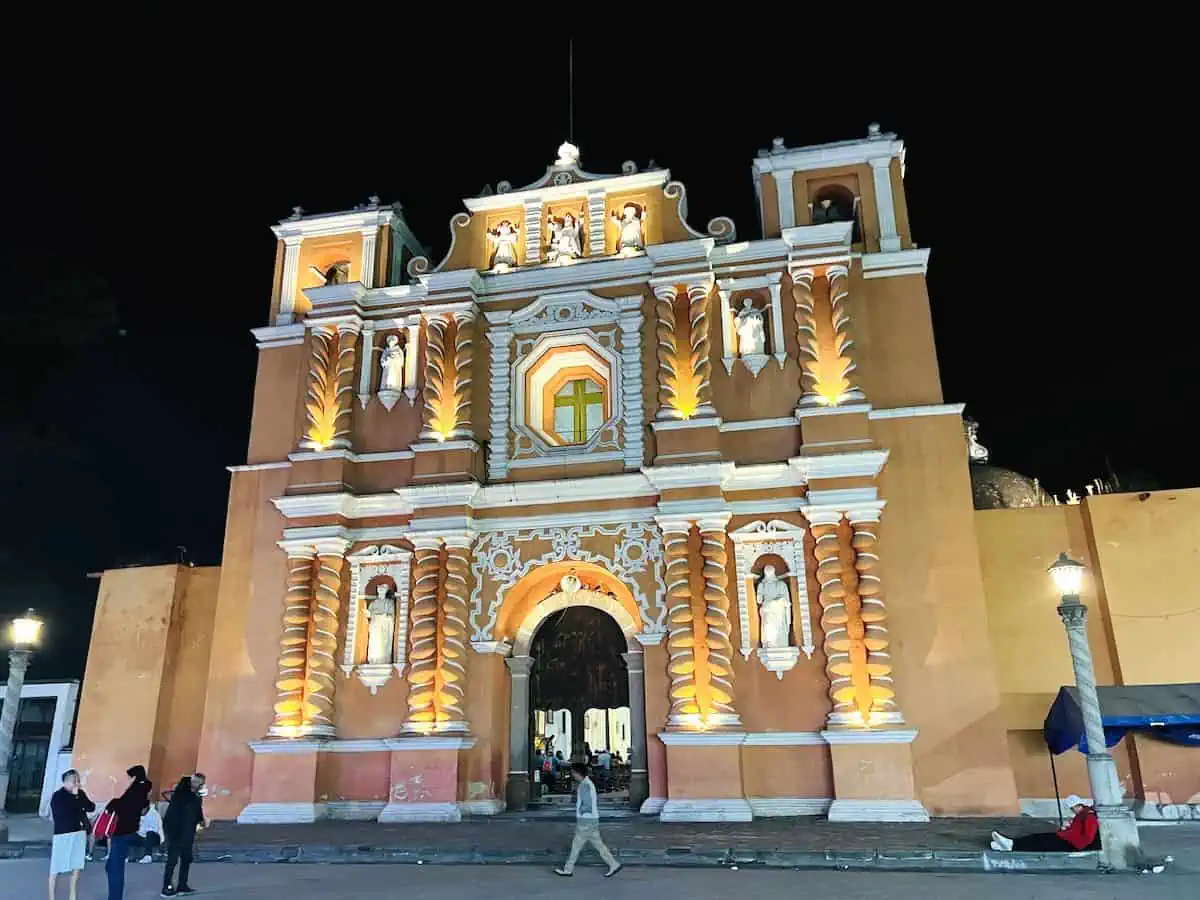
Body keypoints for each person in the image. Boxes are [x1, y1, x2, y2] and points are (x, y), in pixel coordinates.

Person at [554, 763, 621, 878]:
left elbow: (587, 803)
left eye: (573, 773)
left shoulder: (584, 785)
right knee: (597, 845)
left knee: (576, 846)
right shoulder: (587, 784)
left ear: (578, 773)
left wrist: (581, 812)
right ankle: (613, 864)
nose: (573, 775)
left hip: (586, 820)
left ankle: (568, 869)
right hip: (591, 819)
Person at [105, 764, 153, 900]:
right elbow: (143, 811)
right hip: (130, 830)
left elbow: (121, 807)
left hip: (121, 832)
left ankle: (114, 898)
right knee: (112, 866)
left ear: (134, 777)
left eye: (129, 777)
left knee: (115, 868)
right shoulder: (142, 790)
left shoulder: (134, 791)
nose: (128, 779)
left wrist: (114, 803)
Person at [990, 795, 1101, 852]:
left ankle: (1011, 845)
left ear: (1078, 806)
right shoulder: (1083, 814)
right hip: (1066, 838)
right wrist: (1067, 830)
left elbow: (1087, 838)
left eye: (1072, 809)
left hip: (1071, 843)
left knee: (1040, 842)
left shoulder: (1089, 817)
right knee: (1038, 838)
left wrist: (1068, 834)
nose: (1072, 811)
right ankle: (1009, 844)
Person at [161, 773, 210, 897]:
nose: (199, 786)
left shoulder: (195, 796)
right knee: (172, 860)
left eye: (200, 784)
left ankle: (182, 885)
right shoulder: (181, 795)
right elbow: (174, 816)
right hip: (176, 833)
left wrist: (201, 821)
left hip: (188, 833)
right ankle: (166, 887)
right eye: (198, 783)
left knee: (186, 859)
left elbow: (197, 812)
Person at [49, 769, 95, 900]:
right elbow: (62, 814)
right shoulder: (58, 796)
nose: (76, 784)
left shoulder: (80, 794)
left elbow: (91, 806)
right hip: (62, 834)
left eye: (77, 781)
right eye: (73, 781)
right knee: (56, 868)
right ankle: (52, 897)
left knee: (76, 865)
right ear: (65, 782)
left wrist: (78, 797)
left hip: (78, 833)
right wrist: (75, 798)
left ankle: (72, 895)